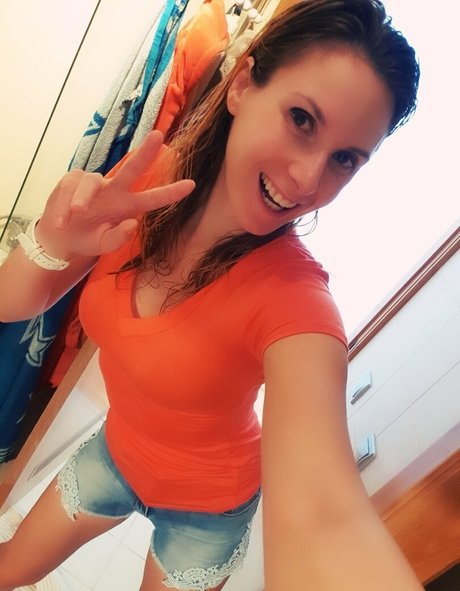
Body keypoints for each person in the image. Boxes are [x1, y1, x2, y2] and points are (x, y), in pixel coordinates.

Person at [0, 1, 422, 590]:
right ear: (243, 85)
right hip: (114, 454)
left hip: (209, 512)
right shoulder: (147, 186)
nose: (308, 179)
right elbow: (12, 303)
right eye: (302, 119)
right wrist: (51, 241)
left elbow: (323, 515)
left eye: (345, 159)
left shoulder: (296, 299)